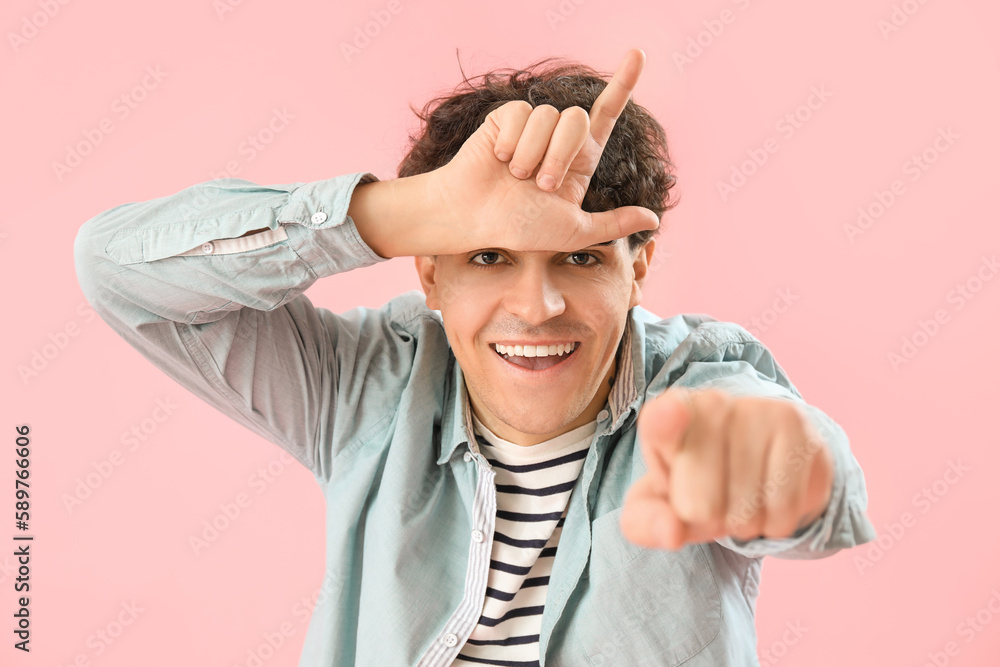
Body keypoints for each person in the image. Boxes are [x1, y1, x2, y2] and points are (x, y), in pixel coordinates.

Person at [73, 48, 876, 667]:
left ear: (640, 264)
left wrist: (769, 474)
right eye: (489, 256)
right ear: (428, 268)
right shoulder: (366, 389)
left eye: (582, 258)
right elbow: (117, 269)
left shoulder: (697, 383)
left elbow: (815, 491)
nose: (536, 306)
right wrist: (408, 211)